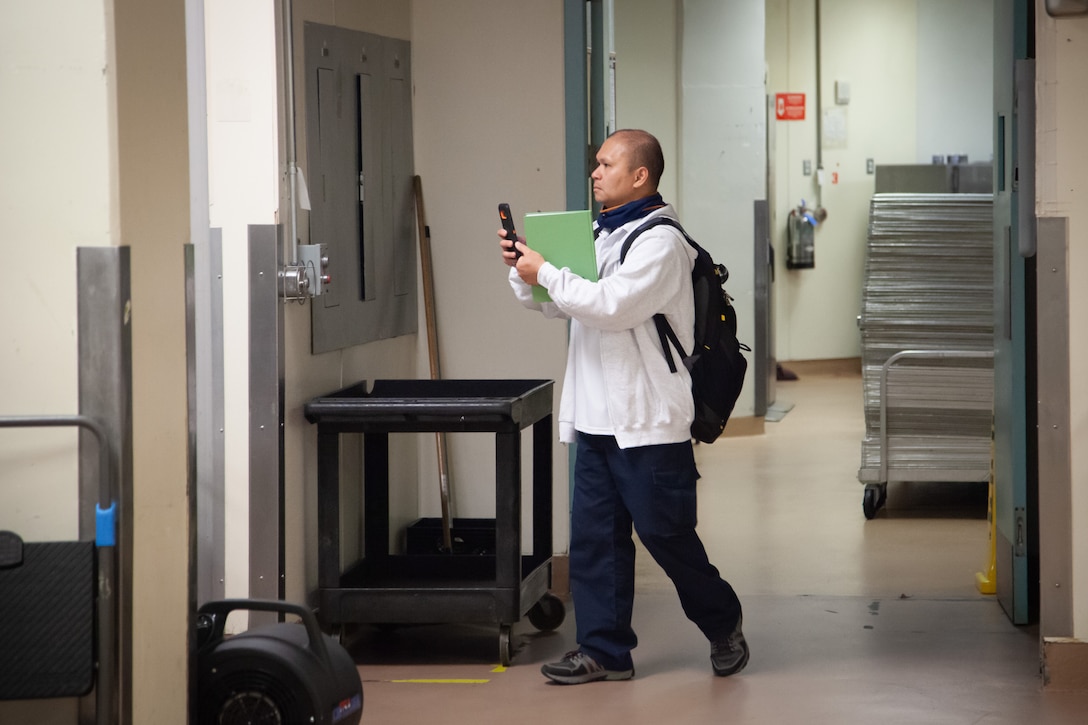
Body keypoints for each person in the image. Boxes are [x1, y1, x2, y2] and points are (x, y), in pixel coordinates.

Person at [498, 129, 748, 685]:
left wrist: (549, 274)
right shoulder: (599, 234)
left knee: (668, 538)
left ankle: (723, 620)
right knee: (594, 541)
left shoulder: (661, 243)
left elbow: (611, 306)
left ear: (640, 176)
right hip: (595, 417)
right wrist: (526, 270)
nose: (595, 172)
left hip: (648, 420)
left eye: (606, 163)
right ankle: (604, 652)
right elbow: (556, 304)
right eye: (596, 163)